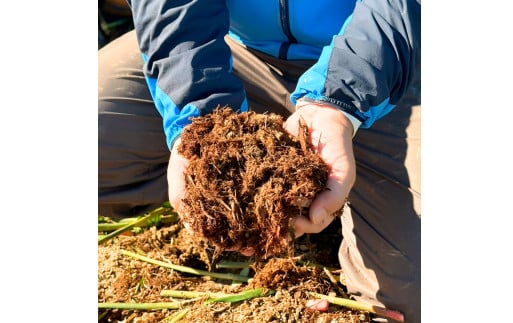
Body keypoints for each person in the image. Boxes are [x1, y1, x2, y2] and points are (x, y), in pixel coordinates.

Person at [98, 0, 421, 322]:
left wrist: (338, 104)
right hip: (229, 48)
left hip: (394, 59)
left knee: (416, 295)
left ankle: (358, 203)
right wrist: (198, 118)